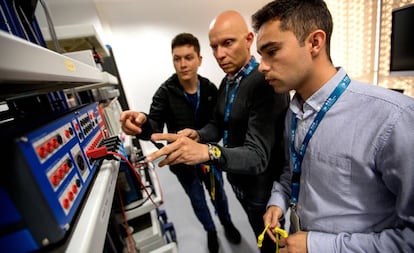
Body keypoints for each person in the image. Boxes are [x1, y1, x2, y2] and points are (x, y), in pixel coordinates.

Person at [250, 0, 414, 252]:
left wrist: (317, 246)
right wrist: (277, 202)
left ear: (315, 42)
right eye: (261, 55)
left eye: (272, 51)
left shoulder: (393, 118)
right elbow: (292, 171)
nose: (262, 66)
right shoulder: (293, 111)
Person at [146, 11, 290, 253]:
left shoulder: (264, 83)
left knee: (271, 246)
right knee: (249, 230)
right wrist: (198, 135)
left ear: (248, 39)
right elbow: (217, 123)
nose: (220, 55)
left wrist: (206, 151)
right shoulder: (228, 81)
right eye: (214, 47)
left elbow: (257, 156)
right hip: (239, 182)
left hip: (262, 191)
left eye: (228, 43)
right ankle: (215, 230)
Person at [119, 33, 241, 253]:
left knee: (219, 195)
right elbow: (153, 125)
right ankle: (211, 231)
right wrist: (143, 122)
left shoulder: (211, 89)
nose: (183, 64)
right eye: (177, 58)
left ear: (199, 59)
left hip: (208, 157)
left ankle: (226, 223)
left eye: (188, 57)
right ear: (173, 60)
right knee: (197, 200)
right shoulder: (165, 92)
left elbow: (216, 124)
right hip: (183, 164)